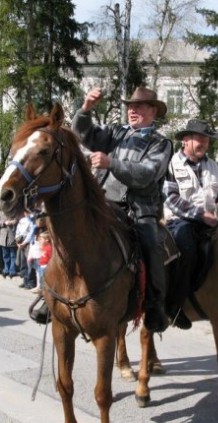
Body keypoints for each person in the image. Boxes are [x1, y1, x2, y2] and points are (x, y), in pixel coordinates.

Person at [72, 86, 173, 332]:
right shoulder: (115, 132)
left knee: (152, 244)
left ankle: (154, 305)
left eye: (139, 106)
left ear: (153, 111)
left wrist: (111, 163)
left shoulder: (161, 143)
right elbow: (82, 133)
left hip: (140, 209)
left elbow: (148, 174)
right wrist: (86, 108)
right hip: (105, 202)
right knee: (70, 229)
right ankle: (51, 292)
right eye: (130, 106)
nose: (132, 110)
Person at [163, 118, 218, 329]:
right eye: (200, 139)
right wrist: (201, 215)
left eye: (207, 140)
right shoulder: (171, 163)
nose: (204, 144)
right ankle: (174, 306)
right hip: (179, 221)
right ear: (186, 140)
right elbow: (170, 198)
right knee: (187, 249)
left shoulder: (212, 164)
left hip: (209, 220)